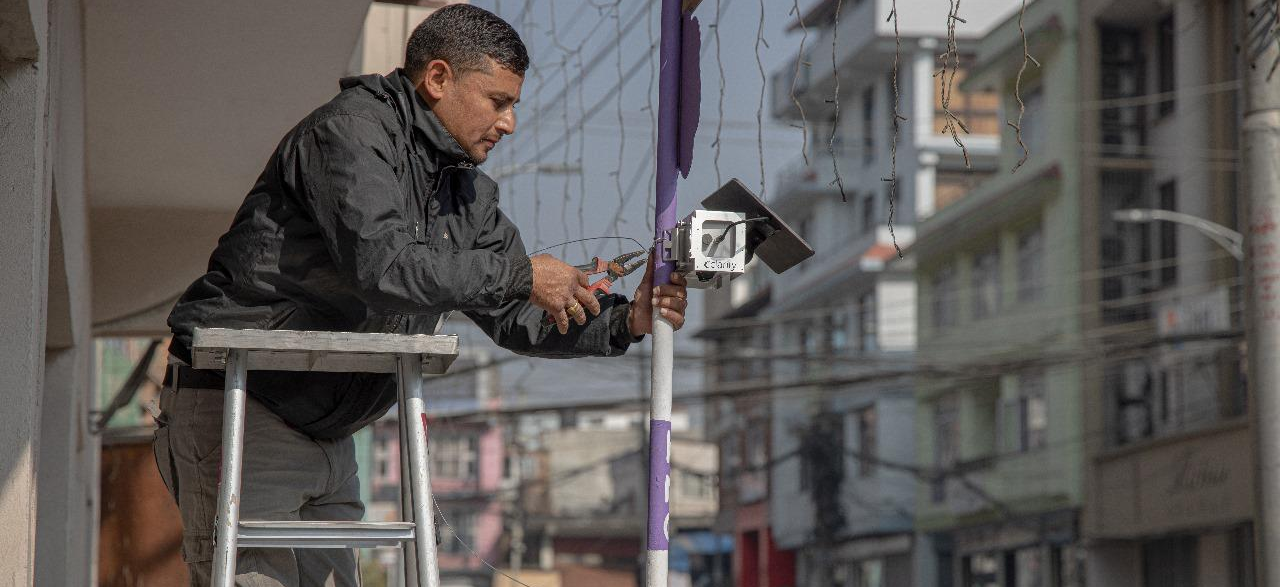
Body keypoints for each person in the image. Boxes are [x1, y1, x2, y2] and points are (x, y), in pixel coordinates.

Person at [154, 5, 688, 585]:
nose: (509, 124)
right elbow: (383, 266)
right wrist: (521, 275)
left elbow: (514, 312)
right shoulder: (351, 134)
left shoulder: (464, 191)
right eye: (498, 102)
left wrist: (625, 322)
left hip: (330, 433)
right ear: (437, 79)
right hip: (246, 403)